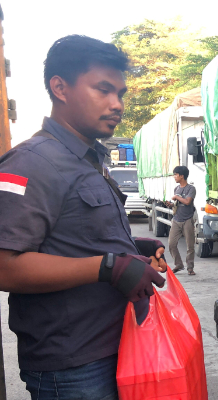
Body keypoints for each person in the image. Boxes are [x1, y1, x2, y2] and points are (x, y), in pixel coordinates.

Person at [0, 35, 166, 399]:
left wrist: (132, 249)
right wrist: (109, 266)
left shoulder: (89, 160)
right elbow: (5, 267)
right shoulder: (31, 162)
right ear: (60, 87)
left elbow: (72, 238)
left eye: (120, 93)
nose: (117, 104)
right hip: (74, 368)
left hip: (116, 347)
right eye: (103, 90)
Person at [167, 165, 197, 275]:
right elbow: (178, 204)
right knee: (171, 244)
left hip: (187, 220)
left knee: (190, 246)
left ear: (182, 176)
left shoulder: (191, 189)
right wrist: (171, 204)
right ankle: (178, 264)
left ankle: (190, 268)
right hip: (176, 220)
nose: (174, 177)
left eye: (176, 175)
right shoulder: (177, 188)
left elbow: (188, 202)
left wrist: (176, 197)